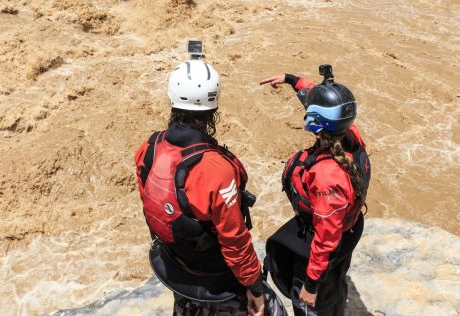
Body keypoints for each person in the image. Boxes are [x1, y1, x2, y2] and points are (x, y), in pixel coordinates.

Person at [136, 52, 281, 316]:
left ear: (171, 98)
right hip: (214, 275)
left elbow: (150, 202)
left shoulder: (149, 147)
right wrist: (255, 287)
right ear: (214, 107)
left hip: (175, 265)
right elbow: (234, 241)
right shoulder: (215, 169)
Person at [259, 65, 370, 316]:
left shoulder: (326, 177)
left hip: (324, 245)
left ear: (314, 122)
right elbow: (324, 105)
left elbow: (326, 239)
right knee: (337, 282)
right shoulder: (351, 134)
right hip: (349, 229)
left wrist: (311, 285)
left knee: (311, 306)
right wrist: (292, 80)